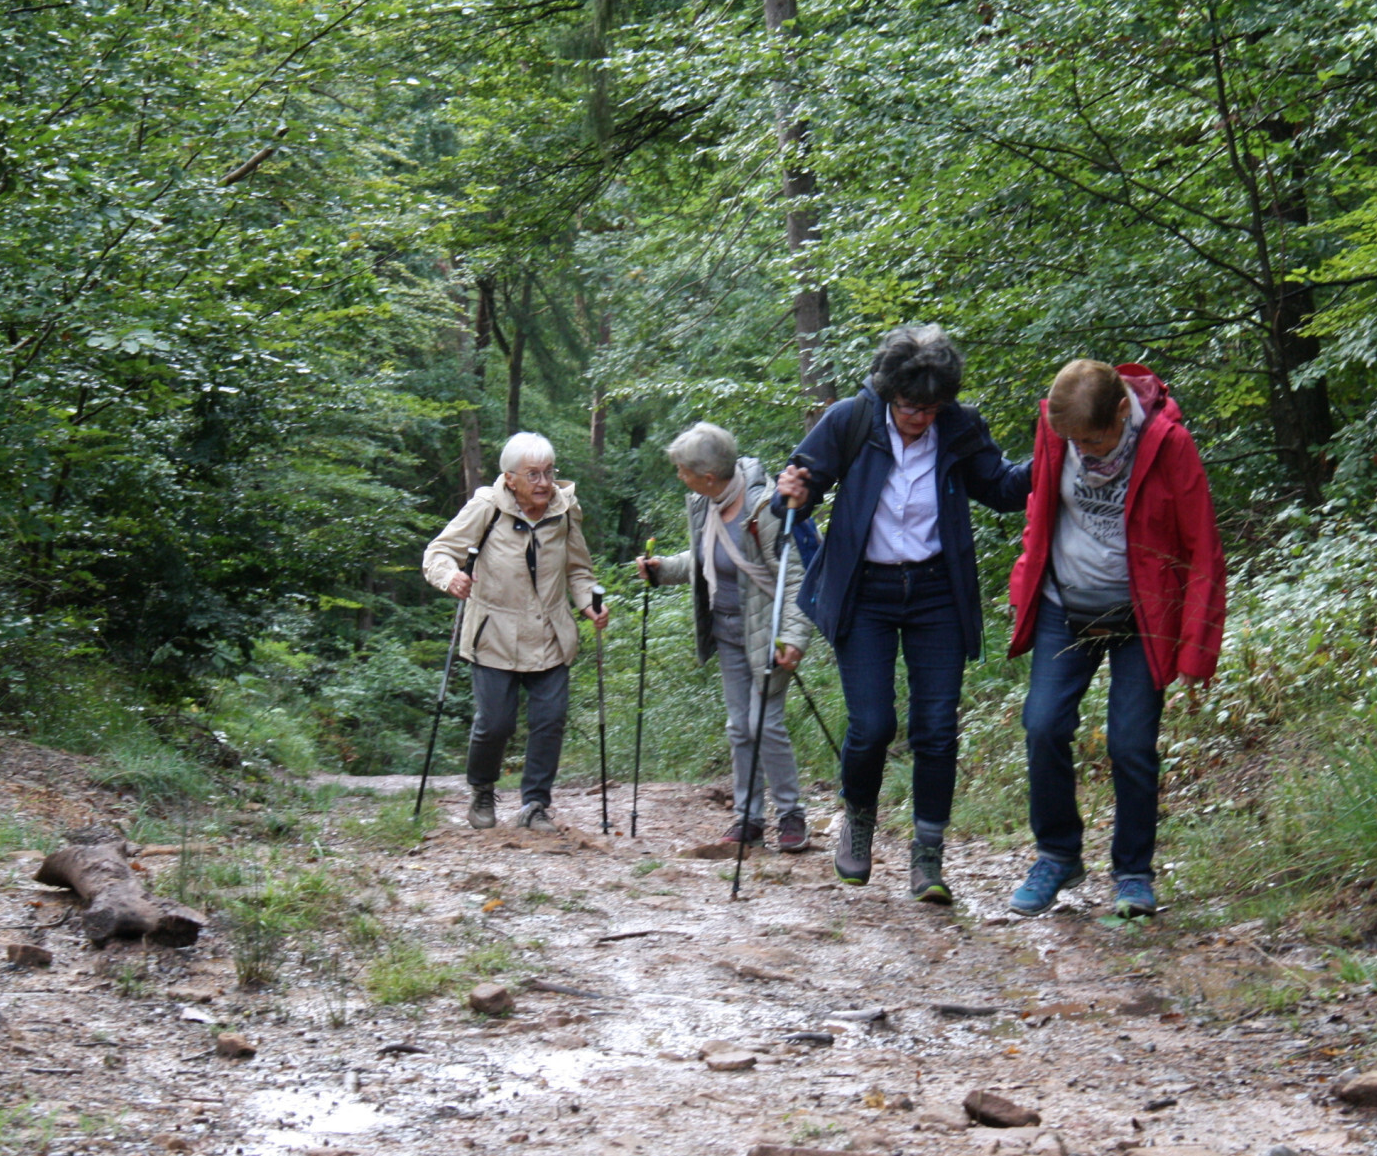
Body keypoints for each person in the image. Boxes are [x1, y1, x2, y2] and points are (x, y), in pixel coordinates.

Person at [775, 324, 1031, 904]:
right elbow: (798, 489)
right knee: (872, 725)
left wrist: (1054, 457)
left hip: (937, 591)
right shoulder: (851, 420)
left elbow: (999, 487)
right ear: (889, 392)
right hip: (864, 591)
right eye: (910, 406)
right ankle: (858, 819)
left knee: (936, 729)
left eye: (931, 408)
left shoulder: (958, 426)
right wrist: (791, 493)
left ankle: (928, 855)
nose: (920, 418)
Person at [1004, 361, 1225, 920]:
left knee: (1130, 744)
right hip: (1065, 605)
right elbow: (1040, 510)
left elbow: (1202, 547)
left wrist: (1197, 646)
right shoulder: (1058, 433)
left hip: (1141, 613)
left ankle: (1133, 873)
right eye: (1075, 441)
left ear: (1123, 411)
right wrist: (1024, 580)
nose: (1084, 450)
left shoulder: (1169, 444)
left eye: (1094, 440)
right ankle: (1057, 855)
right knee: (1043, 724)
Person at [635, 423, 813, 852]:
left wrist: (794, 637)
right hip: (728, 629)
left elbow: (795, 577)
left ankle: (791, 815)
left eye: (683, 470)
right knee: (739, 727)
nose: (680, 476)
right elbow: (704, 558)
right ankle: (748, 818)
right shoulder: (706, 502)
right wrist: (663, 569)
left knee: (763, 723)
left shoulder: (764, 508)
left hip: (769, 631)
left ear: (709, 475)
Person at [422, 432, 609, 833]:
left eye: (549, 472)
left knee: (549, 721)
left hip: (550, 632)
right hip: (494, 633)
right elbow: (438, 552)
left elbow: (579, 569)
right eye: (533, 474)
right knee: (496, 723)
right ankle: (482, 789)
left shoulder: (565, 509)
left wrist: (589, 602)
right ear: (510, 479)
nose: (544, 483)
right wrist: (450, 577)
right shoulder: (486, 508)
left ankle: (535, 804)